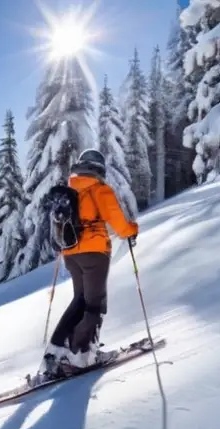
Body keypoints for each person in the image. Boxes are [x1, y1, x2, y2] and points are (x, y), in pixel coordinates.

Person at [41, 149, 139, 377]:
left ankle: (55, 351)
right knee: (95, 305)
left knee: (80, 300)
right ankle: (82, 355)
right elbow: (119, 224)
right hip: (95, 253)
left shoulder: (70, 189)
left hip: (71, 254)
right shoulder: (99, 188)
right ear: (99, 168)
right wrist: (132, 229)